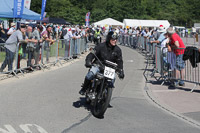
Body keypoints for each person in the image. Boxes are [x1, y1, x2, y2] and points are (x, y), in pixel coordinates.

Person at [79, 31, 125, 95]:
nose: (114, 41)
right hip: (98, 65)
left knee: (113, 78)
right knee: (91, 74)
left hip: (109, 68)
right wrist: (88, 61)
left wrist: (121, 70)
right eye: (113, 39)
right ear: (109, 39)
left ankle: (106, 95)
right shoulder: (100, 46)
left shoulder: (118, 50)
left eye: (116, 39)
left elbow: (120, 61)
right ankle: (84, 88)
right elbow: (92, 54)